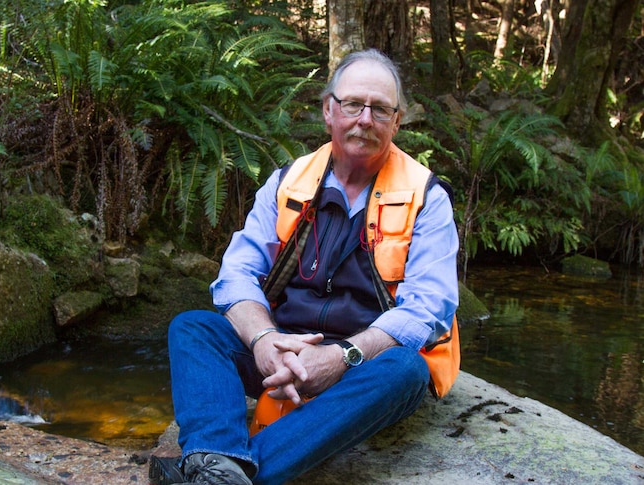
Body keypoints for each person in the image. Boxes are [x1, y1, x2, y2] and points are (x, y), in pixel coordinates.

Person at [149, 49, 459, 485]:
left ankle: (216, 470)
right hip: (281, 352)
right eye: (352, 104)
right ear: (329, 110)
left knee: (407, 370)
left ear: (397, 120)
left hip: (362, 364)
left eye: (379, 109)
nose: (364, 119)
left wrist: (340, 356)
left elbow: (428, 309)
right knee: (193, 329)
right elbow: (235, 275)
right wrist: (263, 339)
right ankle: (222, 466)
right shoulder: (287, 181)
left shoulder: (428, 197)